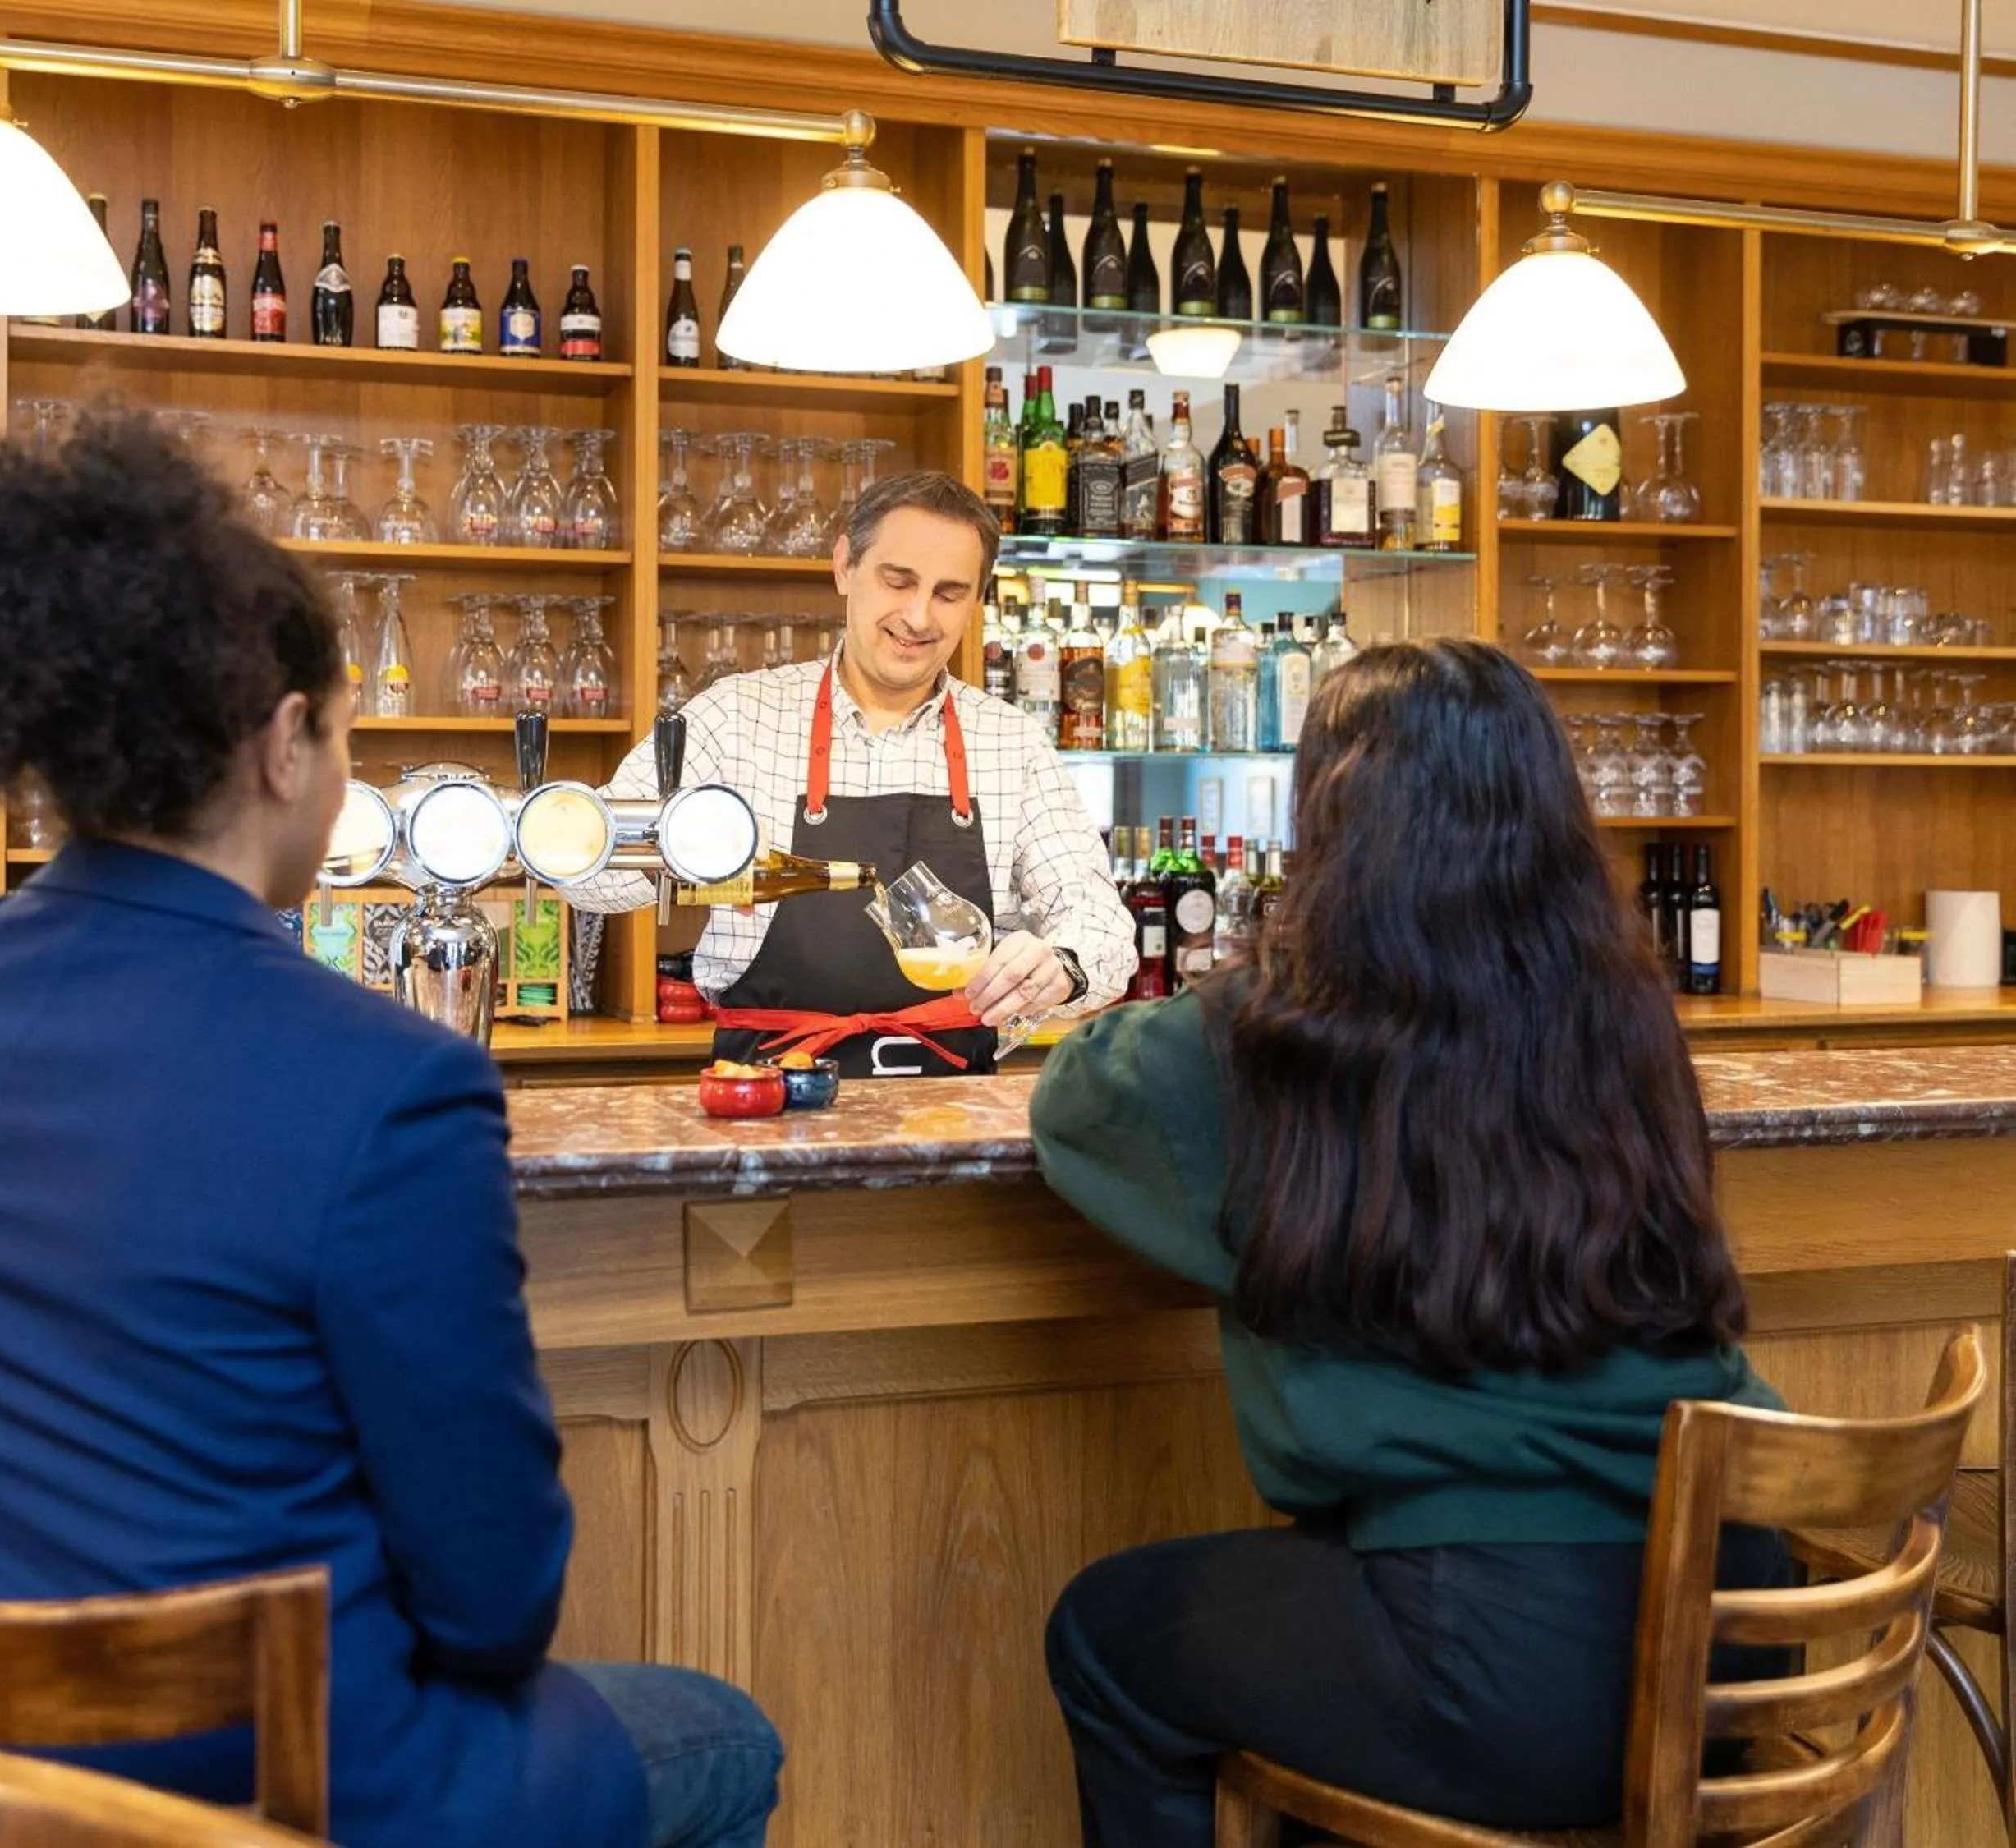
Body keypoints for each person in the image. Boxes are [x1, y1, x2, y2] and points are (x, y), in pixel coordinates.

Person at [0, 408, 780, 1848]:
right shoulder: (392, 1085)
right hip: (273, 1785)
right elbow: (495, 1598)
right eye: (342, 735)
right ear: (284, 745)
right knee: (723, 1735)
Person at [1029, 638, 1788, 1845]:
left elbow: (1080, 1096)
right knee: (1326, 1615)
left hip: (1500, 1664)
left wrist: (1267, 962)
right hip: (1740, 1627)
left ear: (1333, 820)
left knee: (1107, 1633)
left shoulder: (1273, 1044)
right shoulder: (1624, 1013)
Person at [568, 471, 1132, 1078]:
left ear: (978, 599)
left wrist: (1062, 963)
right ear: (844, 566)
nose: (918, 616)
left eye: (949, 593)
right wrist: (690, 842)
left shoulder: (1009, 740)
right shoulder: (732, 719)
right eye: (898, 581)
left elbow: (1102, 927)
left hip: (950, 1108)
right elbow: (588, 876)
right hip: (768, 1095)